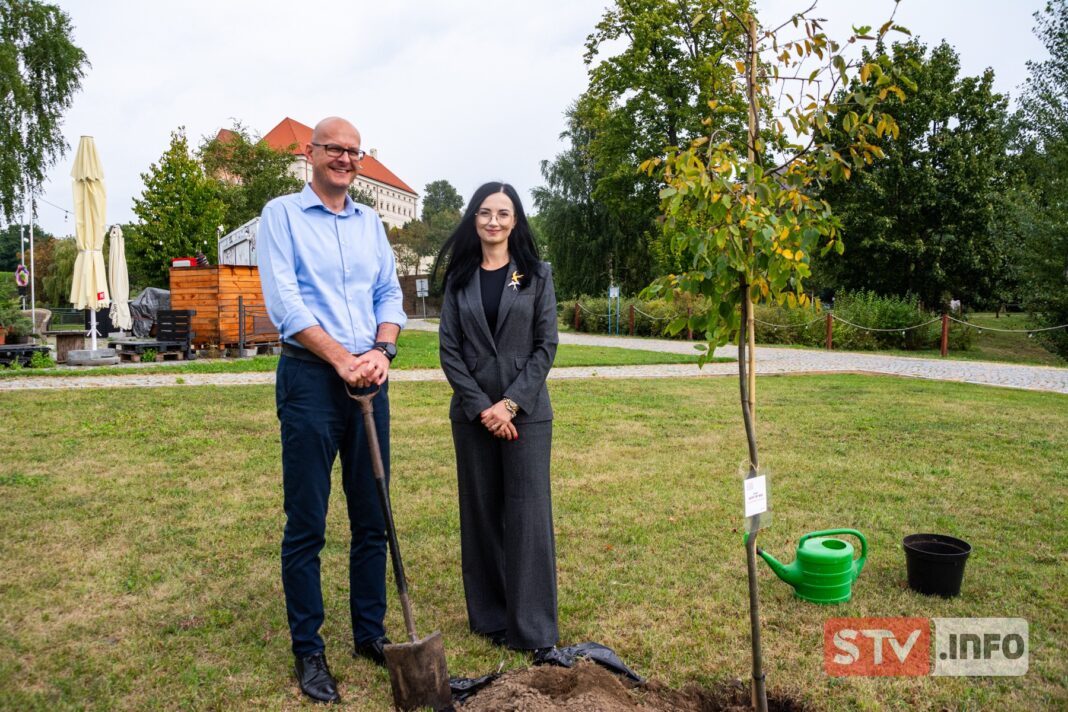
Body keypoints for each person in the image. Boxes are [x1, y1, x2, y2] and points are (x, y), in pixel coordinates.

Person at [258, 116, 406, 704]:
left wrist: (382, 350)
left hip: (369, 379)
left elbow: (389, 293)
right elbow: (285, 302)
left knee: (373, 517)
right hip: (311, 381)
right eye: (334, 149)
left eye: (354, 151)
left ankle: (370, 635)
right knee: (308, 523)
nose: (345, 159)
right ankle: (309, 650)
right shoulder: (282, 216)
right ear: (312, 154)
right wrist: (342, 358)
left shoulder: (371, 222)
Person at [435, 182, 560, 661]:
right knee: (481, 513)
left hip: (525, 415)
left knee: (528, 517)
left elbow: (545, 345)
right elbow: (449, 351)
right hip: (472, 415)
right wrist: (481, 406)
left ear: (515, 221)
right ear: (474, 219)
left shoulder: (536, 275)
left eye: (503, 214)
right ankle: (489, 616)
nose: (493, 221)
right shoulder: (459, 278)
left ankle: (533, 629)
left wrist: (509, 405)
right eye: (485, 213)